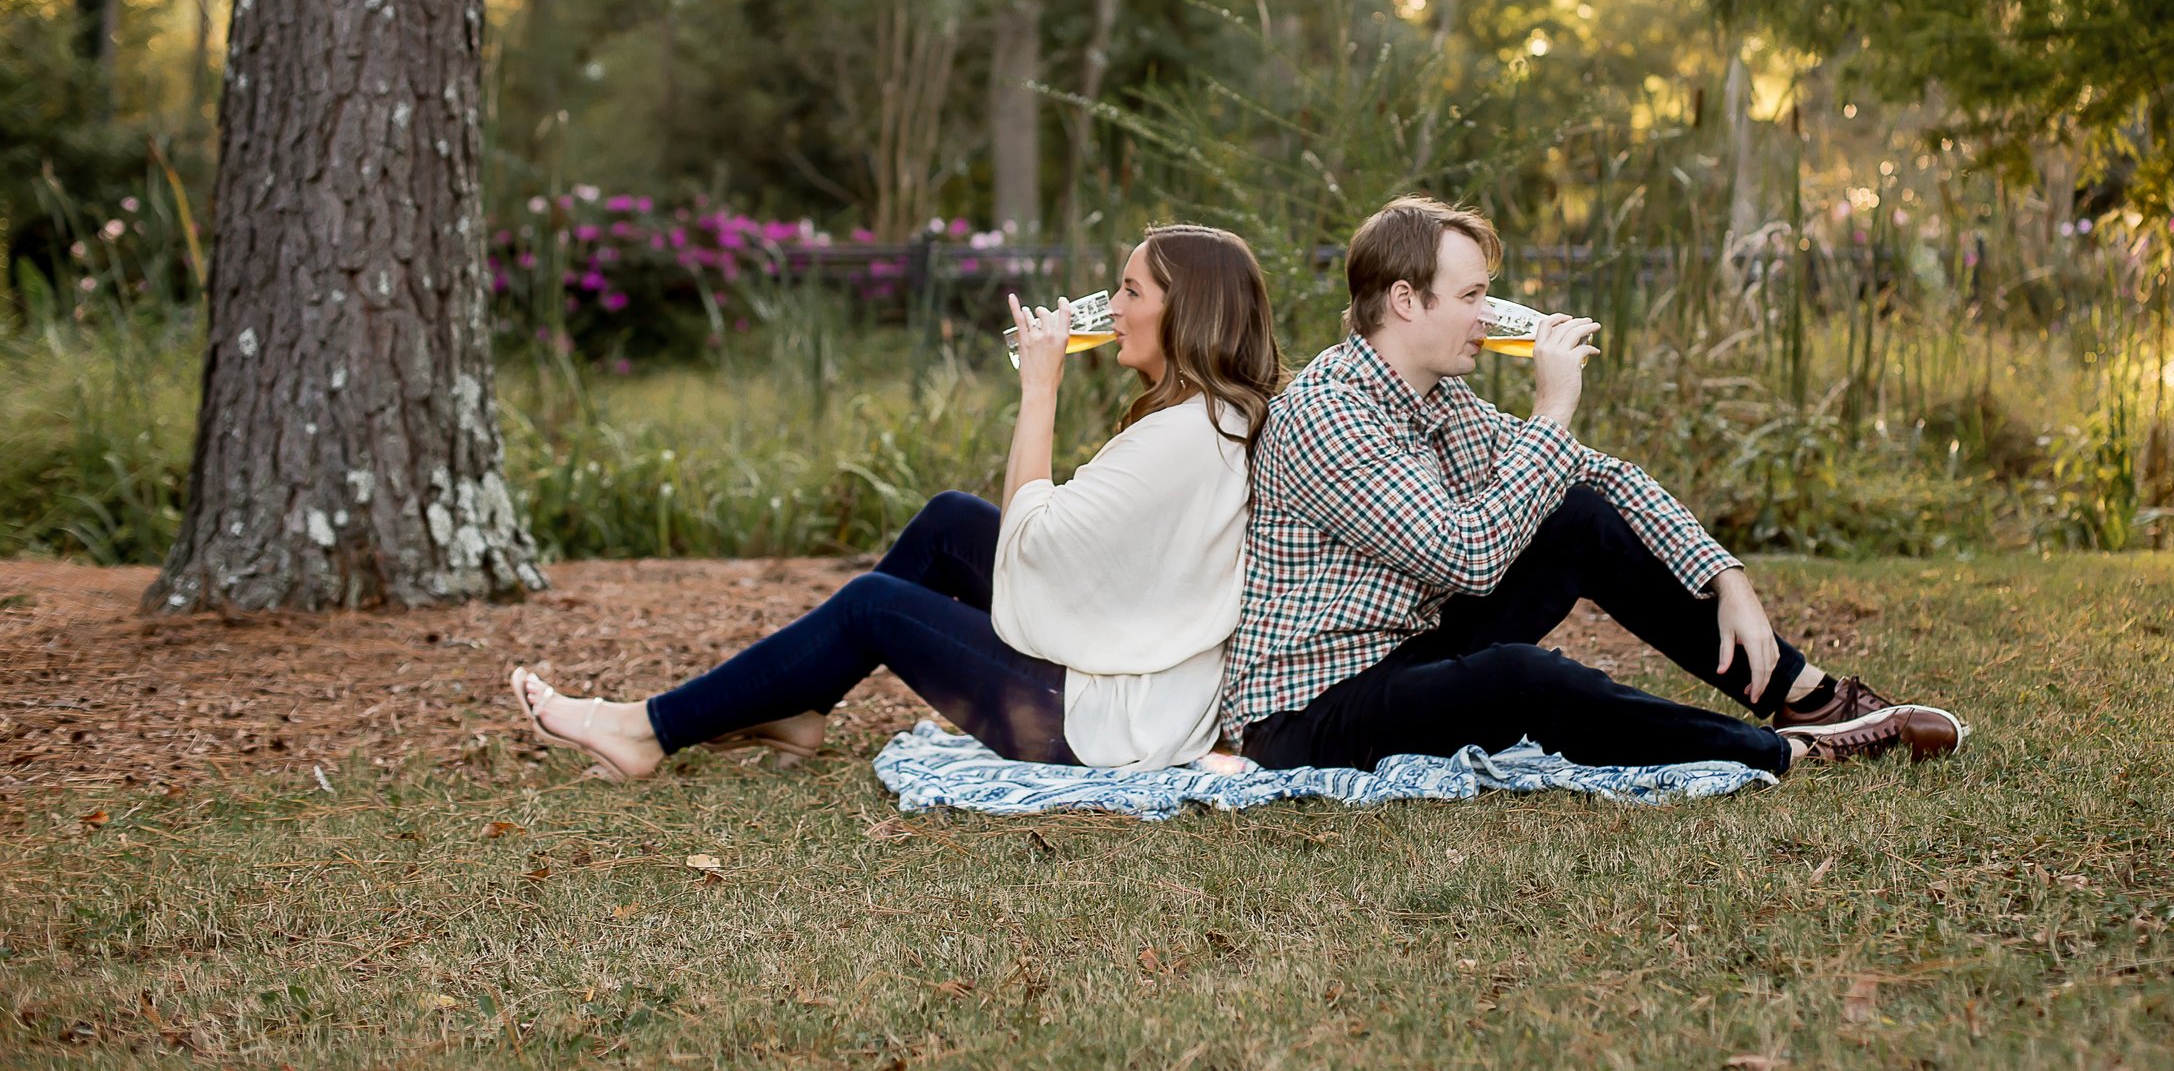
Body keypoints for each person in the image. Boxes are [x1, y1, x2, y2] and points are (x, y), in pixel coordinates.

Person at [1222, 196, 1963, 778]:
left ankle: (1804, 695)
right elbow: (1467, 556)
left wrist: (1723, 571)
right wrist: (1552, 408)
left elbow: (1597, 476)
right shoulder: (1329, 410)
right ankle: (1778, 751)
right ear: (1408, 300)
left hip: (1400, 656)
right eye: (1473, 294)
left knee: (1577, 516)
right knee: (1520, 679)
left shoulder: (1434, 398)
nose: (1487, 315)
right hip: (1306, 711)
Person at [512, 224, 1285, 778]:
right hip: (1147, 689)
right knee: (950, 518)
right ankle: (803, 702)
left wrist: (1039, 390)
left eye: (1130, 288)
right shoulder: (1217, 417)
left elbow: (1034, 538)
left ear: (1186, 311)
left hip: (1096, 723)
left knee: (873, 606)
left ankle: (647, 729)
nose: (1110, 304)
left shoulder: (1180, 436)